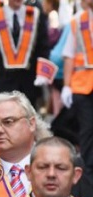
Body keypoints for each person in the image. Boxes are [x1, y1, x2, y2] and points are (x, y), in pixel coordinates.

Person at [0, 0, 53, 107]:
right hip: (2, 84)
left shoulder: (36, 15)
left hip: (29, 84)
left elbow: (43, 47)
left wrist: (42, 74)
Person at [61, 0, 93, 181]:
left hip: (83, 85)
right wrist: (66, 85)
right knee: (87, 131)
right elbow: (69, 56)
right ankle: (89, 176)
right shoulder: (77, 22)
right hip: (82, 85)